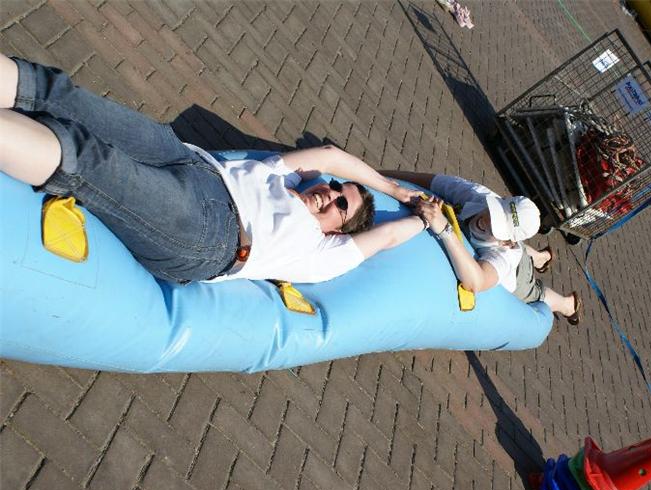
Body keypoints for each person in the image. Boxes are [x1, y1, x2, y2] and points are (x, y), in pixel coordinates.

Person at [0, 55, 427, 284]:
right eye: (336, 187)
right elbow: (331, 155)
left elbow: (388, 236)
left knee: (87, 158)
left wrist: (427, 220)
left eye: (341, 206)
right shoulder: (286, 176)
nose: (330, 194)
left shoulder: (321, 253)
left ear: (338, 232)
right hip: (190, 161)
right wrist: (391, 187)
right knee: (64, 95)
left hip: (211, 235)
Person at [382, 171, 582, 325]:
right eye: (494, 214)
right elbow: (431, 181)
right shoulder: (480, 196)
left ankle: (567, 304)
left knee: (535, 293)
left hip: (518, 276)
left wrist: (444, 229)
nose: (486, 221)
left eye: (497, 227)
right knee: (505, 243)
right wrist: (382, 179)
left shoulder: (504, 256)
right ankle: (540, 257)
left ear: (507, 242)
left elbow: (476, 281)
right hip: (511, 246)